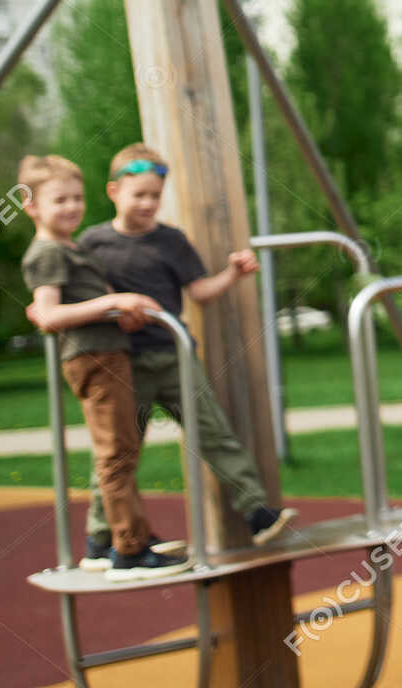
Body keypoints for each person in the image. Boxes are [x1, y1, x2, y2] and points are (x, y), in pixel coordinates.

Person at [76, 143, 296, 561]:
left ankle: (257, 513)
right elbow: (86, 295)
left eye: (155, 195)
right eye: (138, 194)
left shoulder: (171, 241)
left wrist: (232, 274)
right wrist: (107, 306)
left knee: (213, 432)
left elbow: (199, 292)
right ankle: (101, 537)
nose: (147, 203)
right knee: (119, 450)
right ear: (113, 192)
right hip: (123, 364)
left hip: (174, 355)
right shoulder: (93, 244)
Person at [19, 155, 190, 581]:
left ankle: (108, 541)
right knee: (116, 454)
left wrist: (125, 309)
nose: (72, 207)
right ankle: (128, 551)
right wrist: (114, 302)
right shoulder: (46, 253)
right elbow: (49, 315)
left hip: (110, 353)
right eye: (59, 200)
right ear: (32, 207)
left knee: (124, 449)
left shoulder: (72, 247)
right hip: (93, 359)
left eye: (77, 198)